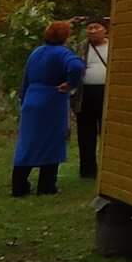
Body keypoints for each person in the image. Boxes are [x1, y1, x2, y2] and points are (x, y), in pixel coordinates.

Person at [13, 20, 85, 196]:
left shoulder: (36, 52)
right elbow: (76, 66)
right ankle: (46, 186)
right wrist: (70, 84)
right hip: (51, 100)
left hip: (31, 98)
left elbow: (26, 78)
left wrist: (24, 100)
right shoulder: (62, 53)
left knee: (27, 143)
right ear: (65, 36)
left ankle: (19, 186)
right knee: (52, 142)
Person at [78, 18, 110, 180]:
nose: (92, 31)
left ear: (105, 30)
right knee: (85, 132)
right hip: (86, 94)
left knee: (107, 131)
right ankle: (88, 169)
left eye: (96, 27)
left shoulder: (113, 46)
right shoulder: (81, 47)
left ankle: (108, 168)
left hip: (106, 92)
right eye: (89, 28)